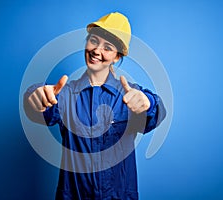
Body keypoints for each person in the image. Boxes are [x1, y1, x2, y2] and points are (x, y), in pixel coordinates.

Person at [24, 12, 166, 200]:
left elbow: (156, 114)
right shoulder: (66, 95)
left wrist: (149, 103)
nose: (97, 51)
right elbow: (39, 108)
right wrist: (35, 97)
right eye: (93, 41)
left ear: (117, 56)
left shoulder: (130, 96)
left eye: (107, 47)